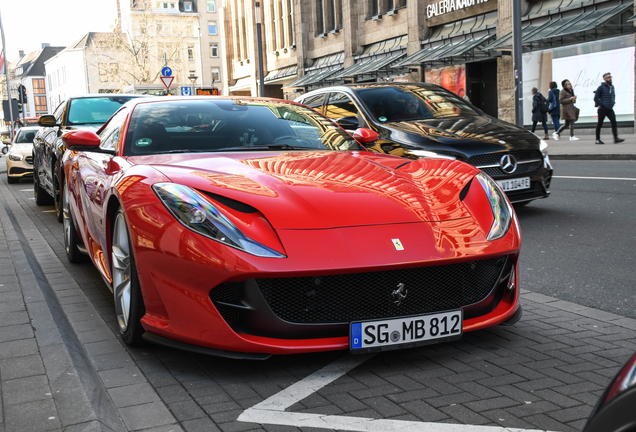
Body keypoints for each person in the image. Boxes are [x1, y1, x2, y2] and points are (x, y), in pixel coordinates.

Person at [594, 72, 624, 145]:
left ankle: (616, 138)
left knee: (614, 122)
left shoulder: (612, 87)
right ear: (604, 79)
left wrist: (613, 103)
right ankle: (597, 139)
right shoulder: (601, 87)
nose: (610, 79)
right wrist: (602, 104)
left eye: (610, 77)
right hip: (602, 109)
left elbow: (613, 96)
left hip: (610, 108)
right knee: (600, 124)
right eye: (608, 77)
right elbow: (596, 98)